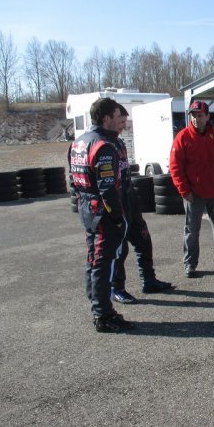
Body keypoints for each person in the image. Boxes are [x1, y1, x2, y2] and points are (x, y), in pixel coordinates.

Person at [68, 97, 133, 333]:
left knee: (93, 260)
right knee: (103, 263)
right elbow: (107, 188)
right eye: (118, 116)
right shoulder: (103, 145)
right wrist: (117, 218)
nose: (122, 122)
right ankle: (103, 315)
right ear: (106, 118)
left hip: (87, 208)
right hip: (101, 212)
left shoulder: (79, 142)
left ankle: (98, 305)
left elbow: (72, 181)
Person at [110, 105, 173, 304]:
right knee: (120, 251)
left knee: (144, 242)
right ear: (109, 119)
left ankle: (149, 280)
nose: (123, 127)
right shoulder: (103, 145)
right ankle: (116, 288)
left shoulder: (119, 144)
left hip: (130, 202)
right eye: (120, 122)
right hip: (115, 206)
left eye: (125, 123)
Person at [169, 100, 214, 278]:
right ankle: (190, 264)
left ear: (207, 116)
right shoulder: (182, 138)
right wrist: (185, 192)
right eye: (193, 116)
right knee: (192, 230)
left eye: (200, 116)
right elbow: (176, 167)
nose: (196, 119)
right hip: (194, 195)